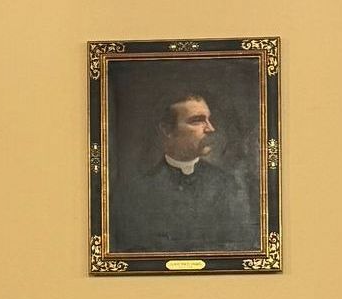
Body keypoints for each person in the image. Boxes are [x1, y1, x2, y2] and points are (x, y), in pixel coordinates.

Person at [109, 91, 259, 253]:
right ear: (167, 130)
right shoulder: (137, 192)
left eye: (208, 119)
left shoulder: (228, 185)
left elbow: (241, 246)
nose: (210, 128)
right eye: (197, 121)